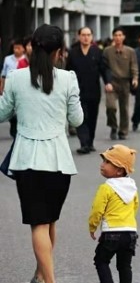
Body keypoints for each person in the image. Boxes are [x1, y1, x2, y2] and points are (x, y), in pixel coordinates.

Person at [0, 24, 83, 283]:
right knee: (50, 221)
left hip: (27, 161)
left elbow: (2, 113)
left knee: (39, 224)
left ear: (31, 48)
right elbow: (77, 120)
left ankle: (48, 280)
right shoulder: (68, 78)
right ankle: (42, 274)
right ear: (59, 52)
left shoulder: (15, 77)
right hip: (59, 162)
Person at [89, 144, 139, 283]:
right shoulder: (132, 186)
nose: (102, 165)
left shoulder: (106, 188)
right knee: (124, 265)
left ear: (119, 171)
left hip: (111, 233)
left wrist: (92, 226)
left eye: (107, 162)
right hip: (130, 233)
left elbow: (97, 210)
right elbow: (135, 207)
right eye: (103, 160)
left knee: (101, 261)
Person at [66, 27, 112, 154]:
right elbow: (67, 71)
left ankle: (90, 141)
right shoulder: (73, 52)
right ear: (79, 36)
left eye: (88, 35)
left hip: (94, 91)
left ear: (92, 37)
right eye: (83, 35)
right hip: (78, 91)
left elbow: (104, 68)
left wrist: (108, 82)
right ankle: (84, 143)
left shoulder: (97, 52)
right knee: (82, 117)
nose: (86, 37)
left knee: (92, 117)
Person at [103, 27, 139, 140]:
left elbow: (134, 66)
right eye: (116, 35)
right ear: (113, 37)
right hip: (112, 82)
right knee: (111, 106)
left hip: (125, 82)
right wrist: (107, 81)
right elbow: (104, 67)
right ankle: (113, 126)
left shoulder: (130, 51)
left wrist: (135, 78)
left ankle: (123, 131)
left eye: (120, 35)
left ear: (123, 37)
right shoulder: (107, 51)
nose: (118, 37)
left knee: (124, 108)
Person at [1, 38, 27, 138]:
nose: (16, 50)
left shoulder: (25, 59)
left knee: (19, 108)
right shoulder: (8, 59)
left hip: (20, 87)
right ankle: (13, 125)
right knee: (10, 108)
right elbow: (3, 74)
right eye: (15, 48)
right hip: (8, 86)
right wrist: (2, 86)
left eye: (18, 48)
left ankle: (18, 127)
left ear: (23, 49)